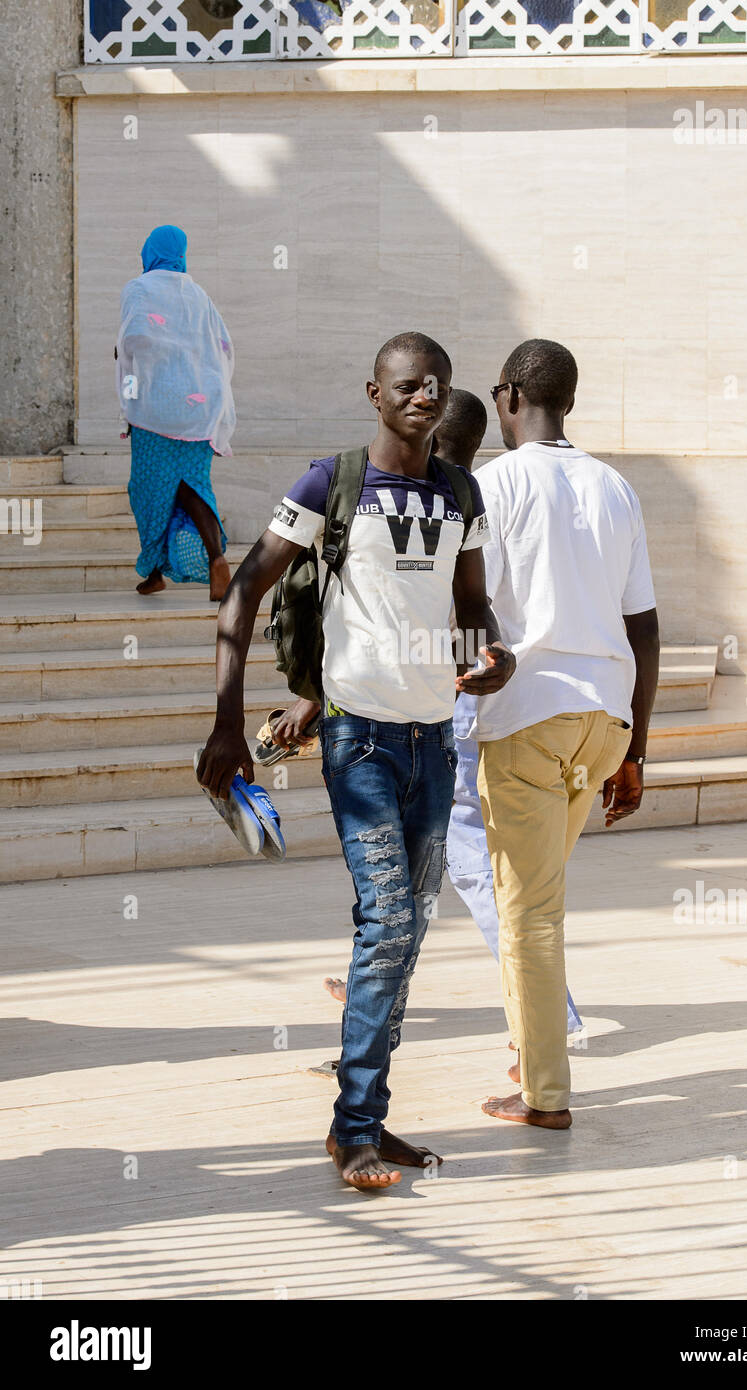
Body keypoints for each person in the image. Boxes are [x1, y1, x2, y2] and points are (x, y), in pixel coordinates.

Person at [197, 334, 515, 1189]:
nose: (423, 396)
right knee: (387, 923)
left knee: (407, 934)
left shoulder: (458, 492)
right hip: (359, 739)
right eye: (407, 385)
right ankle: (355, 1128)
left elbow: (473, 608)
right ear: (373, 393)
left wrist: (494, 658)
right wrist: (229, 726)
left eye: (434, 386)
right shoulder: (328, 484)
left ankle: (364, 1123)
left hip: (433, 739)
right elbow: (243, 592)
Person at [324, 387, 583, 1079]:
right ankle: (372, 999)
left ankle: (549, 1014)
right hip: (458, 705)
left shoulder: (456, 504)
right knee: (412, 885)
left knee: (463, 867)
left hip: (444, 710)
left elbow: (467, 612)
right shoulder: (471, 497)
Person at [475, 339, 660, 1130]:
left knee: (530, 909)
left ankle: (543, 1094)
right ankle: (530, 1047)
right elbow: (644, 627)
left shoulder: (495, 482)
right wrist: (636, 750)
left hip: (531, 714)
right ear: (569, 404)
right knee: (539, 893)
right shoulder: (615, 487)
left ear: (505, 396)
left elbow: (464, 606)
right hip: (603, 722)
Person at [116, 224, 235, 601]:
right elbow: (223, 347)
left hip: (156, 409)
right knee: (192, 486)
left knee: (147, 488)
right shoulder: (198, 294)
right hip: (201, 410)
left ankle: (152, 571)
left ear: (149, 252)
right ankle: (217, 561)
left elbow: (135, 337)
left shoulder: (139, 287)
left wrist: (123, 356)